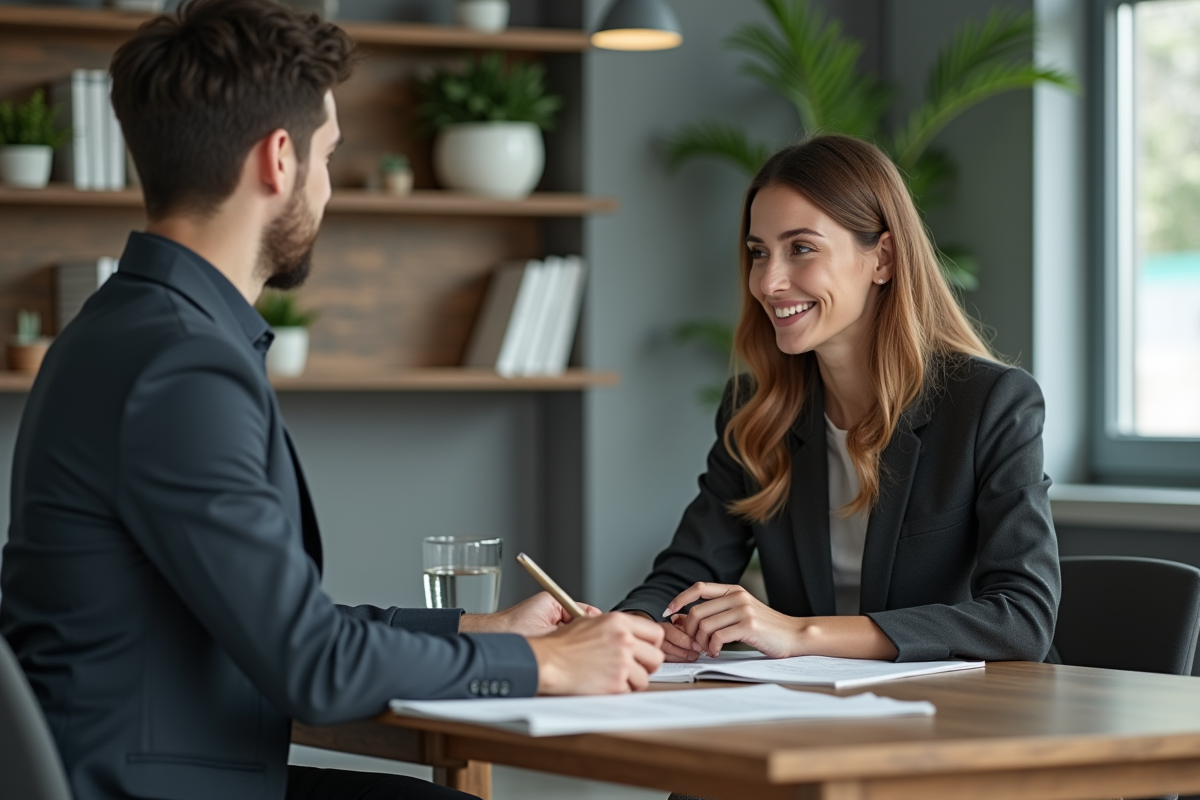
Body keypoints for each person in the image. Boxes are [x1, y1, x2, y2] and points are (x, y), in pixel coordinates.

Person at [0, 2, 664, 800]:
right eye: (328, 156)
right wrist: (547, 663)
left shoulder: (125, 329)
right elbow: (312, 664)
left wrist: (476, 628)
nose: (326, 187)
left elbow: (278, 620)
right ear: (278, 160)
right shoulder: (182, 366)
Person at [615, 135, 1060, 671]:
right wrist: (637, 626)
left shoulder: (991, 405)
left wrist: (801, 633)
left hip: (966, 717)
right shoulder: (755, 411)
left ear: (883, 259)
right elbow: (683, 572)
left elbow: (1022, 618)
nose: (769, 282)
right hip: (818, 713)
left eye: (801, 248)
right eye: (759, 253)